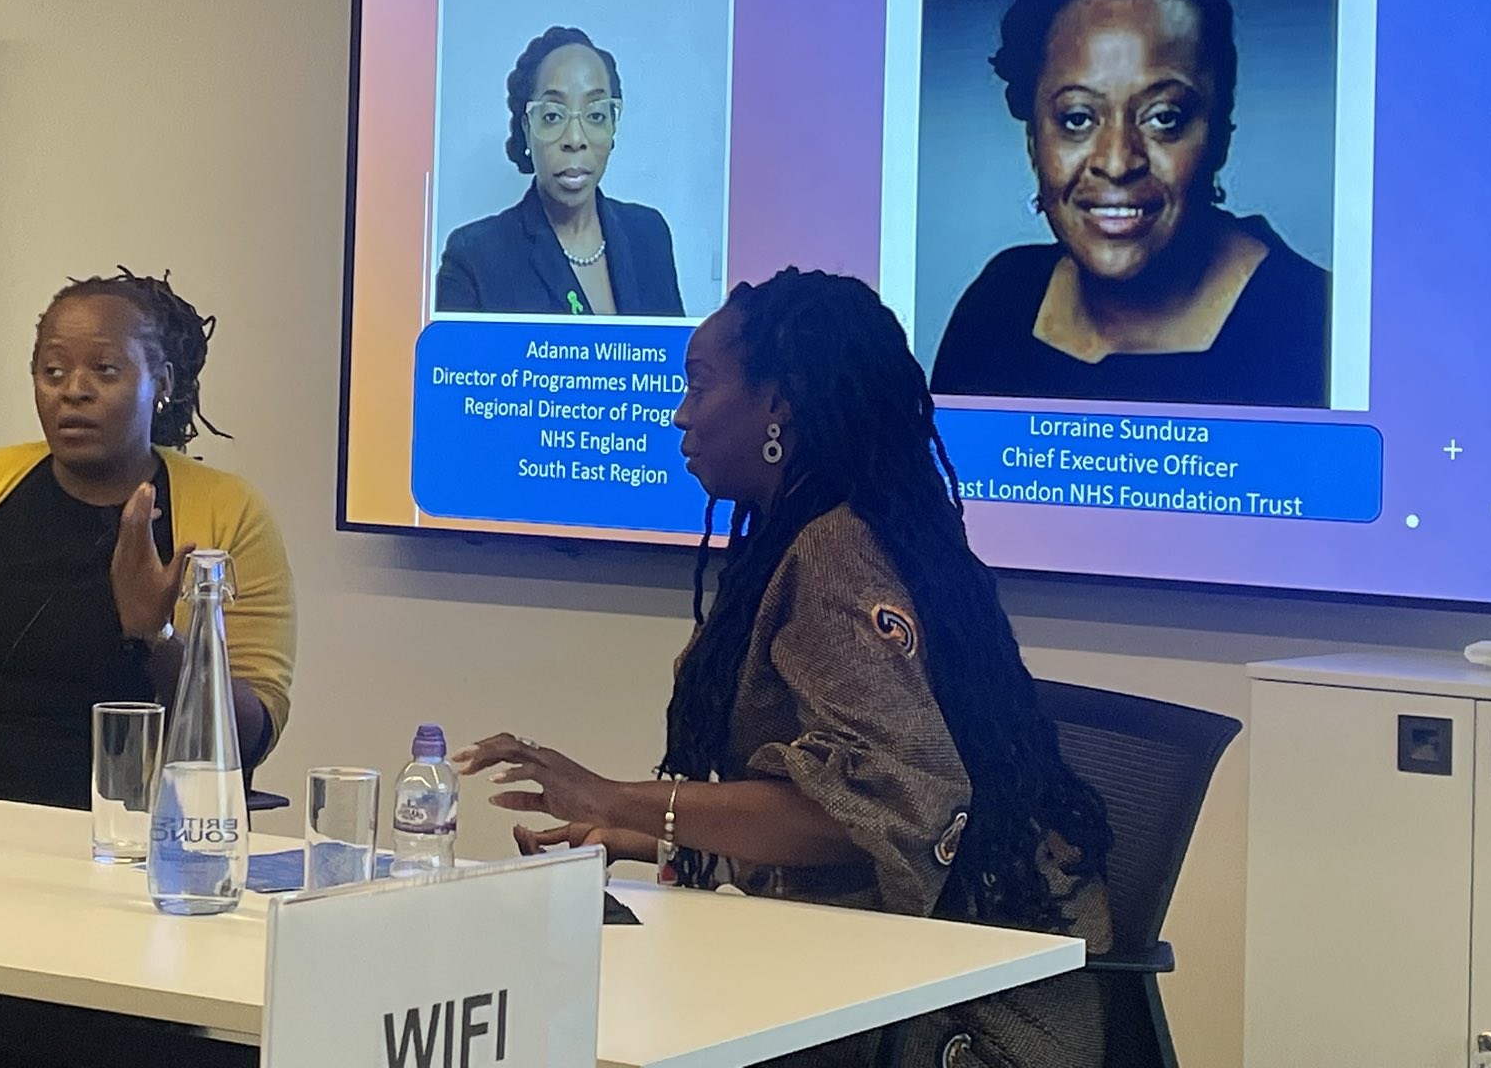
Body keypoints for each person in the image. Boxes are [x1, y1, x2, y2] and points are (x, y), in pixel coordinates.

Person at [456, 269, 1113, 1068]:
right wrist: (643, 835)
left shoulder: (840, 548)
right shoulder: (828, 531)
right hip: (893, 971)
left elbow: (887, 809)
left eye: (700, 386)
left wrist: (621, 796)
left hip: (958, 1021)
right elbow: (835, 809)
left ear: (780, 403)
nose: (681, 416)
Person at [0, 268, 294, 809]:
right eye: (53, 371)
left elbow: (253, 732)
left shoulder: (229, 512)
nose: (74, 390)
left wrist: (159, 639)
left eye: (105, 370)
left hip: (130, 846)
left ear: (161, 383)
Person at [930, 0, 1330, 409]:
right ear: (1035, 140)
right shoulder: (998, 304)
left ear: (1220, 131)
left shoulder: (1314, 325)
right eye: (1077, 118)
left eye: (1164, 118)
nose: (1118, 162)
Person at [434, 25, 684, 317]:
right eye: (553, 116)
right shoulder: (474, 258)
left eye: (595, 115)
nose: (575, 139)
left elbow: (671, 360)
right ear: (527, 129)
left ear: (612, 127)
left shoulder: (649, 234)